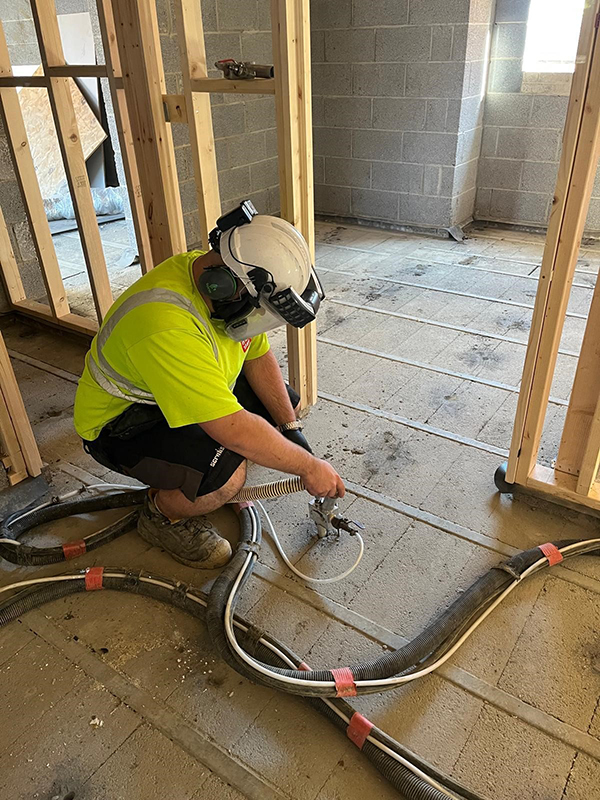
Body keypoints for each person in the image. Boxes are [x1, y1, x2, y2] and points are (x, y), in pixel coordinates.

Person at [73, 201, 345, 569]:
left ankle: (201, 475)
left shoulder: (220, 278)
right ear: (224, 287)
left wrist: (290, 429)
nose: (260, 322)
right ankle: (160, 516)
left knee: (285, 405)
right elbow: (233, 430)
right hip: (123, 423)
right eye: (261, 313)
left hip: (169, 392)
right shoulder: (165, 323)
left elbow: (256, 356)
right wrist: (307, 467)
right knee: (227, 479)